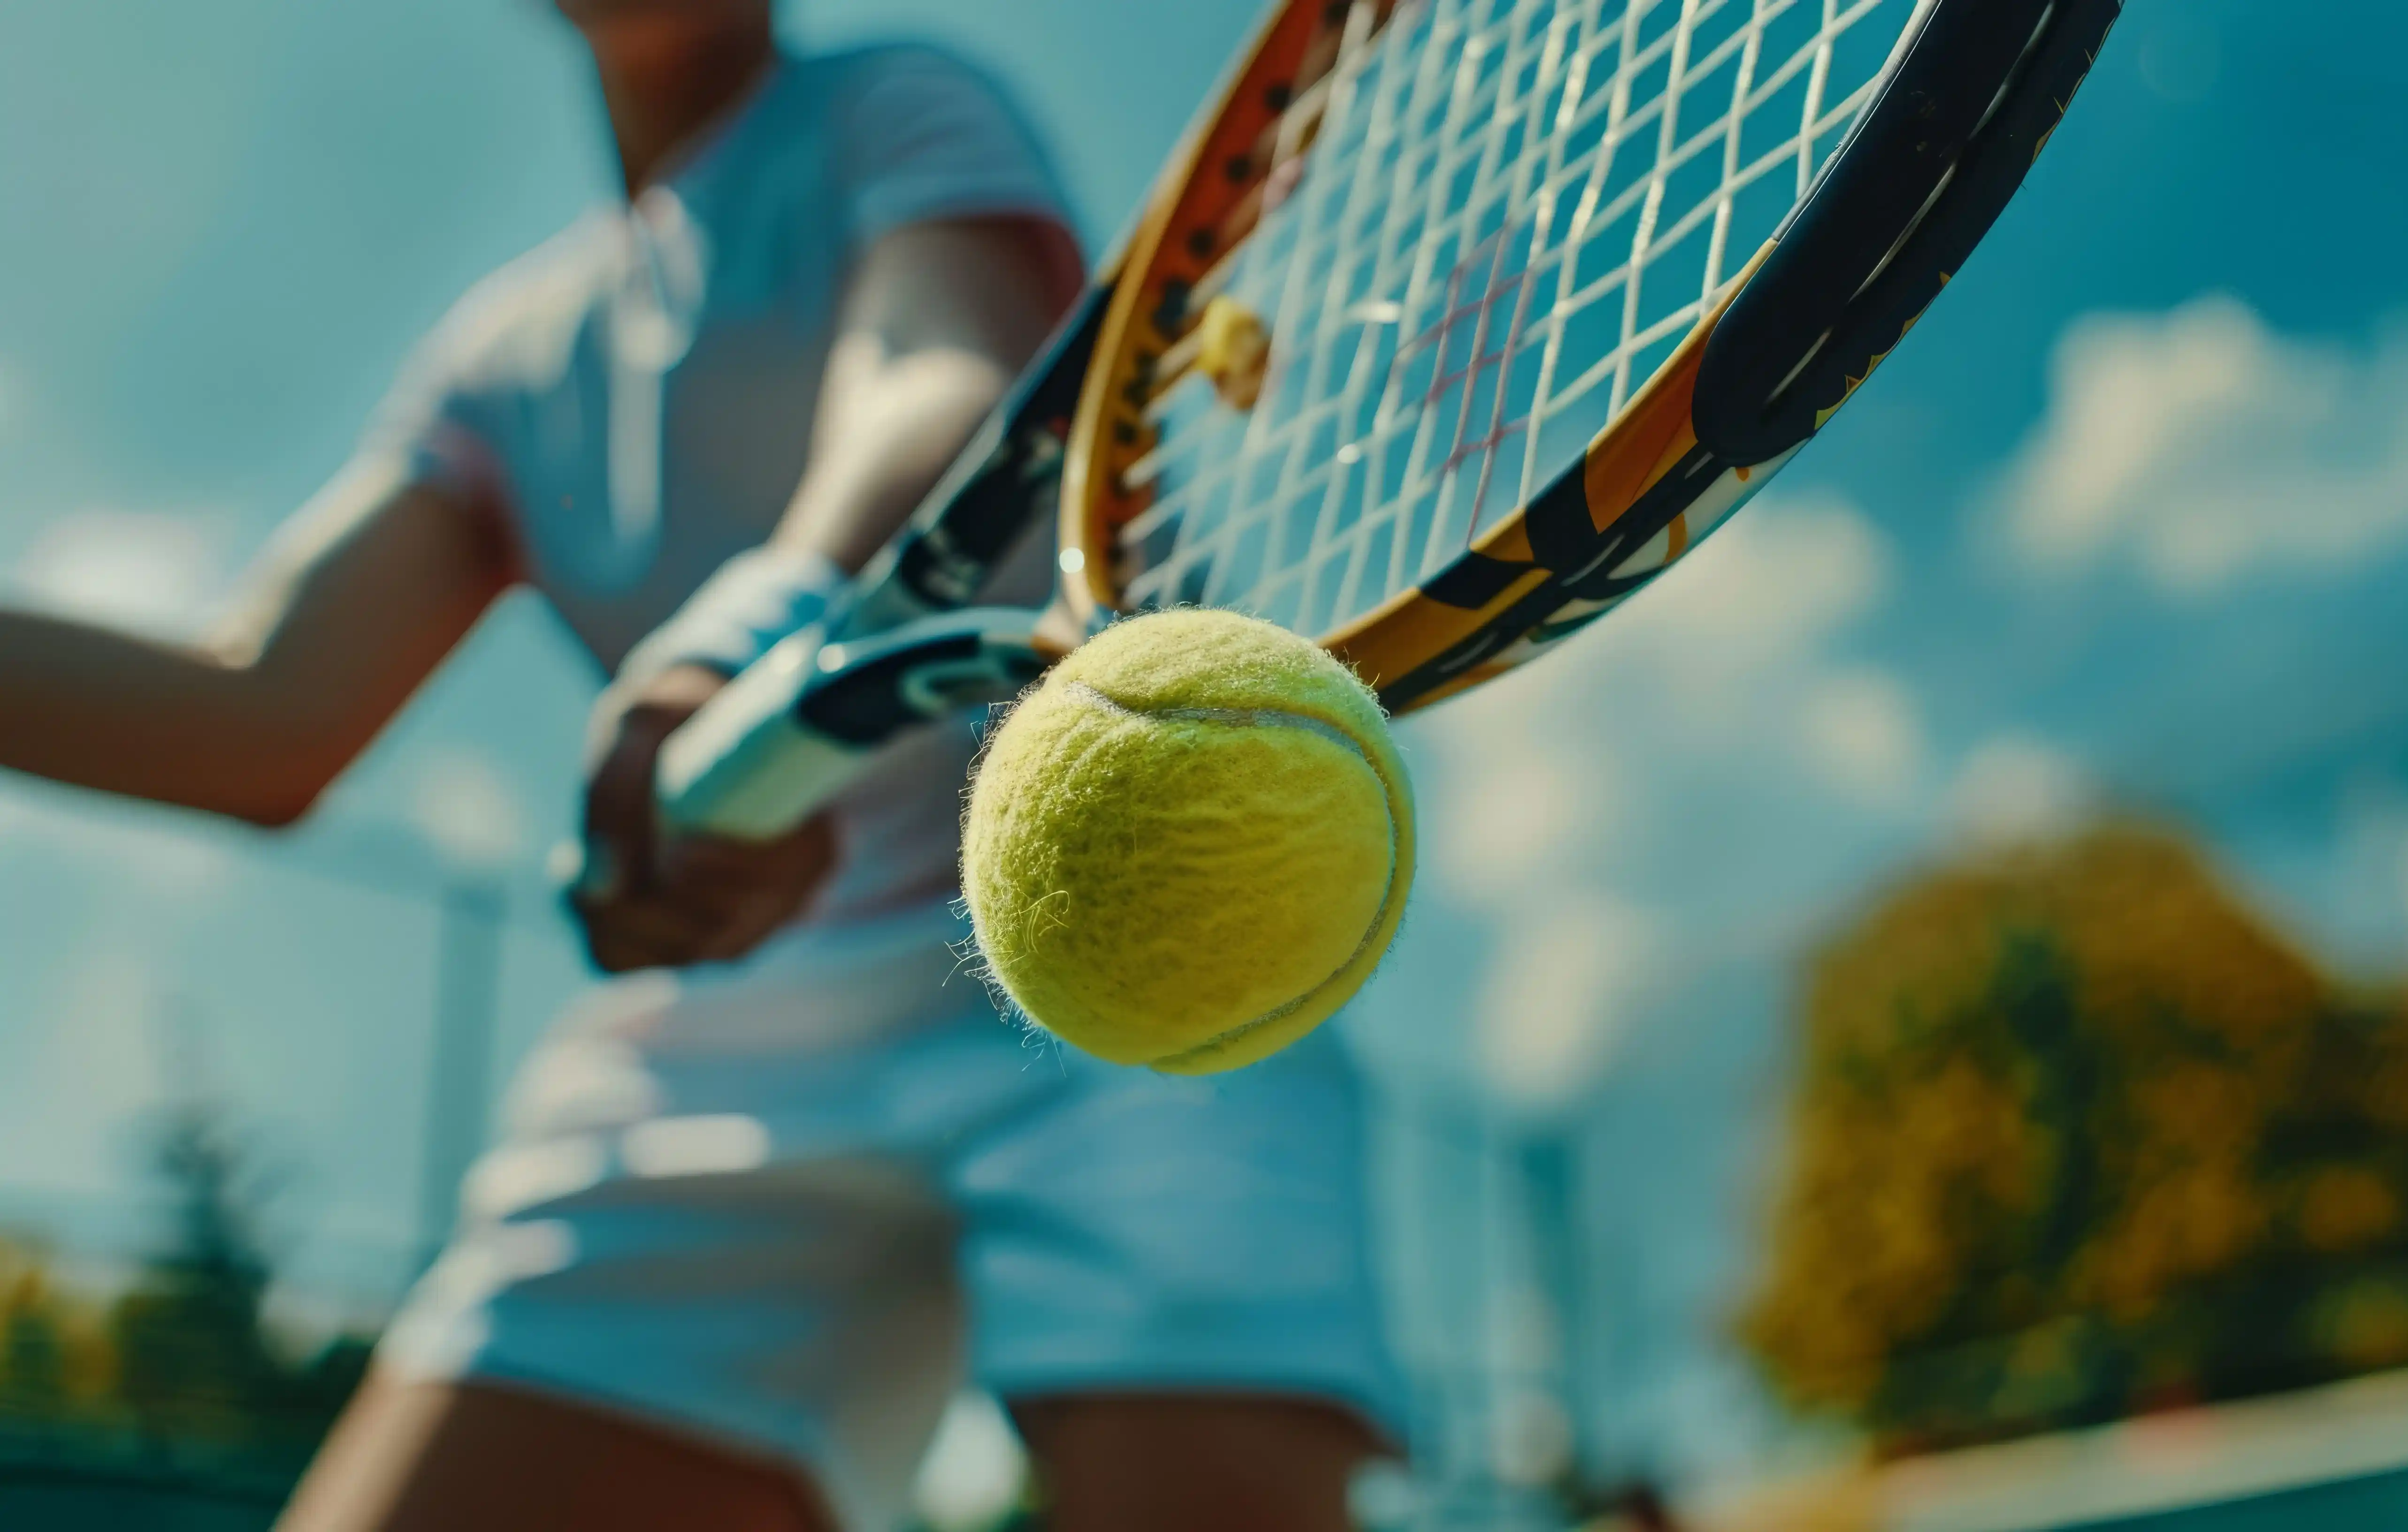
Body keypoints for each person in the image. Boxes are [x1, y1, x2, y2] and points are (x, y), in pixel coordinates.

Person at [0, 3, 1403, 1529]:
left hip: (1137, 952)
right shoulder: (502, 363)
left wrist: (750, 632)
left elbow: (941, 380)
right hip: (720, 1046)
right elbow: (256, 716)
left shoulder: (898, 107)